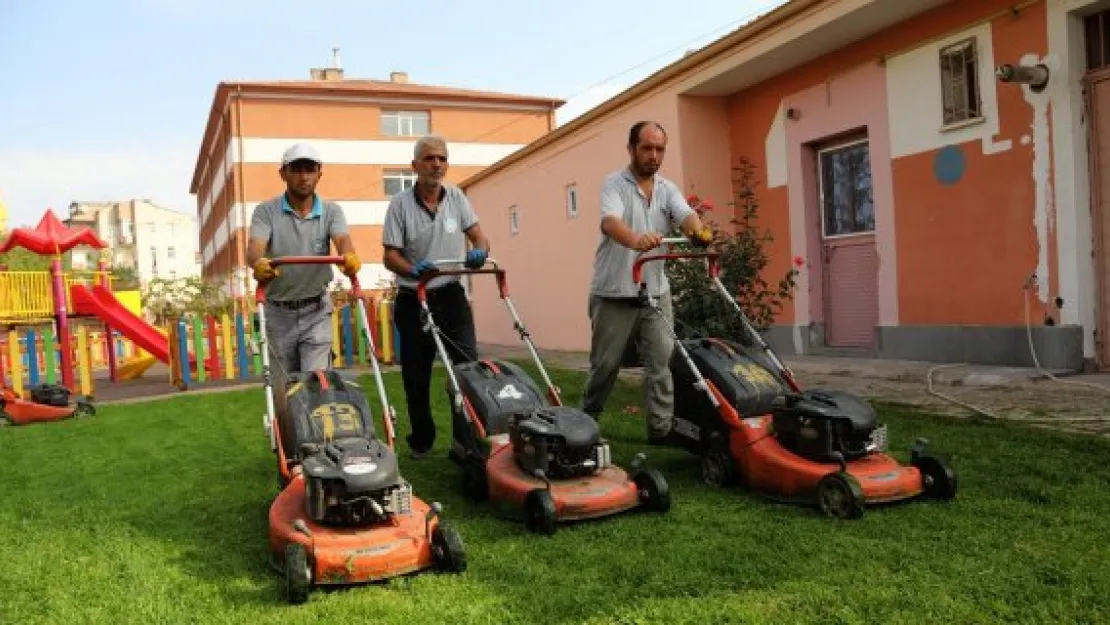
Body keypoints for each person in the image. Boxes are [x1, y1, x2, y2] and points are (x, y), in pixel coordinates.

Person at [581, 120, 713, 444]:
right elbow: (610, 222)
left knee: (661, 363)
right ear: (631, 149)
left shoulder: (667, 188)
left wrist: (697, 231)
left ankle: (661, 430)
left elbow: (685, 214)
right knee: (606, 365)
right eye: (647, 148)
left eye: (659, 149)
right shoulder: (614, 184)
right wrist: (636, 239)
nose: (654, 155)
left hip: (655, 292)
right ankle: (585, 421)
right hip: (614, 291)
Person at [382, 134, 491, 459]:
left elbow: (479, 236)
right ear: (415, 166)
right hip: (413, 298)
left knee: (467, 368)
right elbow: (390, 255)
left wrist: (480, 252)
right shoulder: (400, 204)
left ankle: (466, 440)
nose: (436, 164)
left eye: (442, 158)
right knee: (417, 376)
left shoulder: (457, 198)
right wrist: (413, 269)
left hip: (451, 298)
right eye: (429, 158)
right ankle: (422, 440)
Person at [247, 142, 361, 375]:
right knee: (283, 390)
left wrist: (348, 256)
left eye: (309, 169)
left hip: (316, 310)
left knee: (315, 382)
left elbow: (342, 239)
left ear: (319, 173)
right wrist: (257, 262)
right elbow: (255, 247)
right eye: (296, 169)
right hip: (277, 313)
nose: (303, 176)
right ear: (283, 174)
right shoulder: (265, 211)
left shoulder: (332, 212)